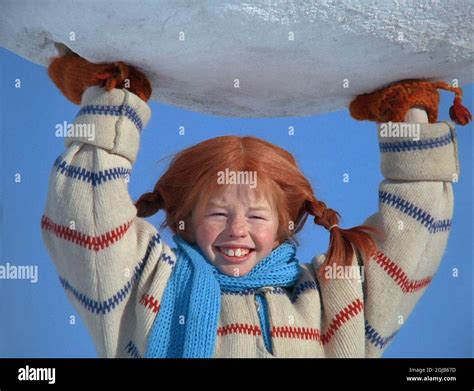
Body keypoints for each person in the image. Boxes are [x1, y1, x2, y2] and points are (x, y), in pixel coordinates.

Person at [42, 50, 471, 358]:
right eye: (217, 213)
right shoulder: (145, 284)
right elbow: (85, 220)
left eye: (257, 216)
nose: (237, 230)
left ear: (287, 225)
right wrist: (111, 98)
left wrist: (409, 118)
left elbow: (412, 242)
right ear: (185, 222)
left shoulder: (329, 297)